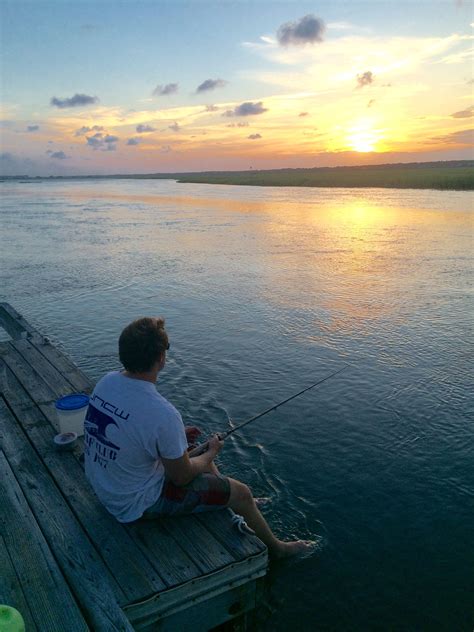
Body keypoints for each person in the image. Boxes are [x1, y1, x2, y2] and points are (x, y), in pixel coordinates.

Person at [84, 316, 311, 558]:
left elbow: (129, 429)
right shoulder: (162, 412)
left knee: (197, 453)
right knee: (241, 490)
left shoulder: (107, 382)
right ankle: (278, 549)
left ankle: (232, 502)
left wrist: (179, 437)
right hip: (135, 504)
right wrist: (212, 451)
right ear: (161, 358)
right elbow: (181, 478)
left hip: (109, 487)